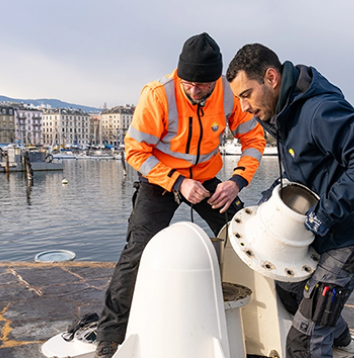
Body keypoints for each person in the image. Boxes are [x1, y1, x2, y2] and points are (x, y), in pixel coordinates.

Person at [95, 33, 266, 358]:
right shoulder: (158, 95)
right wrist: (176, 183)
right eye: (187, 82)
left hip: (207, 181)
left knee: (247, 238)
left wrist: (237, 181)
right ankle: (109, 337)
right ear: (179, 73)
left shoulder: (227, 96)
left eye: (202, 85)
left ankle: (262, 320)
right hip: (159, 182)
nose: (194, 90)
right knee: (137, 253)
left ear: (215, 79)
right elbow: (135, 152)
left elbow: (254, 141)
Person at [226, 44, 354, 358]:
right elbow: (306, 172)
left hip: (353, 240)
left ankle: (321, 335)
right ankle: (337, 336)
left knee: (303, 341)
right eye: (238, 98)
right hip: (322, 233)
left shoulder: (318, 112)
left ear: (271, 78)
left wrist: (326, 212)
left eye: (246, 94)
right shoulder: (282, 114)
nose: (243, 107)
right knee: (288, 286)